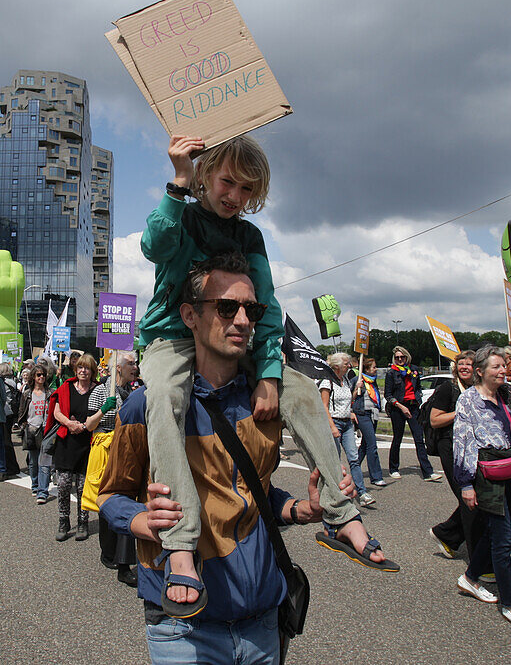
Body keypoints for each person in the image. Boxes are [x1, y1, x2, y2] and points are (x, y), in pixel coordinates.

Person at [99, 255, 393, 660]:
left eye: (250, 309)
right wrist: (141, 521)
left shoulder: (266, 403)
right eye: (225, 307)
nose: (241, 320)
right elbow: (109, 495)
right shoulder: (144, 406)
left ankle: (344, 517)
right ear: (190, 315)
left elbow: (252, 490)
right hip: (182, 627)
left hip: (261, 617)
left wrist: (297, 508)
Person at [137, 135, 357, 608]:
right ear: (205, 175)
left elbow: (268, 306)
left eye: (246, 190)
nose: (234, 197)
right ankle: (180, 545)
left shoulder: (249, 236)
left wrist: (271, 373)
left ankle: (342, 513)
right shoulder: (185, 213)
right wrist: (177, 181)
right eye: (228, 182)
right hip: (172, 336)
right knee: (164, 398)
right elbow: (154, 246)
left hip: (234, 337)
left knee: (301, 391)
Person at [453, 346, 511, 633]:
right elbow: (463, 442)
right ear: (480, 371)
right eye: (497, 367)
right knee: (504, 540)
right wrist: (466, 484)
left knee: (492, 531)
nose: (503, 371)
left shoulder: (506, 395)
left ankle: (470, 577)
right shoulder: (468, 400)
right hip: (487, 474)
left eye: (505, 366)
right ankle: (510, 604)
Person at [86, 350, 139, 586]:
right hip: (106, 449)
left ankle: (121, 559)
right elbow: (89, 425)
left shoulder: (132, 392)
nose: (135, 367)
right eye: (130, 363)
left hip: (126, 449)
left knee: (124, 500)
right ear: (118, 367)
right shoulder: (100, 391)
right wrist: (103, 410)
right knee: (108, 501)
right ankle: (110, 553)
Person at [428, 350, 481, 559]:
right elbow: (435, 420)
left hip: (473, 447)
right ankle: (478, 557)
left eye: (469, 364)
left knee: (476, 498)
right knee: (469, 499)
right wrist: (459, 412)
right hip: (450, 446)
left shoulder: (477, 389)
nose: (464, 367)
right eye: (461, 364)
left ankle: (446, 534)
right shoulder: (447, 389)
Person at [51, 352, 97, 542]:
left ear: (92, 371)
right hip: (67, 442)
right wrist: (69, 424)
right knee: (62, 485)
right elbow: (56, 411)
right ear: (75, 369)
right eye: (80, 367)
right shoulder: (67, 387)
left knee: (82, 486)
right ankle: (64, 521)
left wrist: (84, 426)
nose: (83, 370)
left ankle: (83, 522)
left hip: (87, 443)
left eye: (87, 367)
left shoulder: (98, 390)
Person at [320, 352, 374, 507]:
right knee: (335, 461)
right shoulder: (327, 382)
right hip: (334, 423)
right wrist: (332, 427)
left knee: (354, 458)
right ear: (336, 366)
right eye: (346, 364)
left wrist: (355, 393)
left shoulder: (345, 380)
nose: (349, 366)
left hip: (347, 424)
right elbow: (324, 407)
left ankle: (362, 493)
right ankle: (336, 492)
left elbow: (346, 400)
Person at [385, 345, 442, 482]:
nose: (399, 359)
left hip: (413, 407)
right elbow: (388, 394)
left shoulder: (414, 370)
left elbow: (417, 388)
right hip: (398, 408)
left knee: (419, 438)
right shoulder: (391, 373)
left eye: (402, 357)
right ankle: (393, 468)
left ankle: (428, 472)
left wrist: (418, 398)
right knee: (397, 438)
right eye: (397, 357)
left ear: (407, 357)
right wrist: (400, 406)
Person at [18, 363, 52, 503]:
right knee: (33, 461)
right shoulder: (27, 394)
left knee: (45, 462)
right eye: (38, 375)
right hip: (31, 429)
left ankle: (43, 492)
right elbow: (21, 411)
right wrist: (23, 425)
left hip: (46, 430)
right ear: (33, 377)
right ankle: (35, 485)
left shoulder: (50, 393)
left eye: (43, 374)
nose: (41, 377)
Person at [352, 357, 388, 487]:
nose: (376, 369)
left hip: (373, 414)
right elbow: (350, 397)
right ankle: (376, 476)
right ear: (366, 369)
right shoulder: (357, 380)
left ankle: (353, 468)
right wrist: (357, 389)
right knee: (372, 445)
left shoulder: (373, 382)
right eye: (373, 367)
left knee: (365, 446)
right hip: (362, 414)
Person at [0, 362, 22, 475]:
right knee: (7, 439)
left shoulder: (1, 382)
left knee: (5, 440)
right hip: (11, 412)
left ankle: (10, 466)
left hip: (3, 412)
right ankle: (9, 465)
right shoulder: (12, 382)